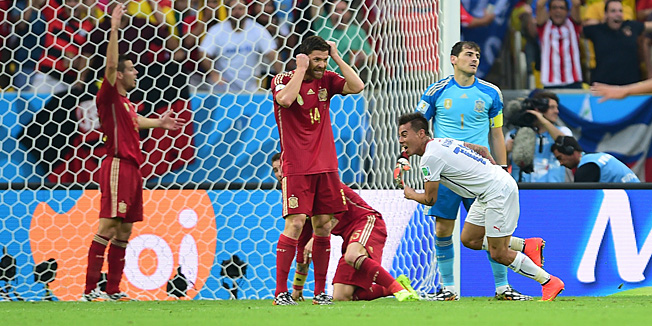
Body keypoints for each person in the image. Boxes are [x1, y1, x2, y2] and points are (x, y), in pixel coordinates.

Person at [405, 41, 541, 301]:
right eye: (469, 55)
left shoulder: (491, 93)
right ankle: (449, 290)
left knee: (494, 231)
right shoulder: (436, 91)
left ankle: (503, 287)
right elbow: (417, 129)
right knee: (443, 229)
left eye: (477, 55)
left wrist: (502, 169)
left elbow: (497, 133)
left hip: (481, 174)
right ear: (453, 59)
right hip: (446, 172)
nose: (475, 59)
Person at [398, 112, 565, 302]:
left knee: (499, 253)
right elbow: (482, 149)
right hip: (488, 190)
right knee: (470, 239)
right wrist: (490, 170)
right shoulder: (442, 142)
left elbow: (430, 199)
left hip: (496, 191)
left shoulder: (429, 158)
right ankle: (526, 245)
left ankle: (549, 281)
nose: (401, 140)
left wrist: (410, 194)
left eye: (404, 135)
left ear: (421, 134)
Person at [80, 3, 185, 302]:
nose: (136, 71)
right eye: (131, 69)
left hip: (133, 170)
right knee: (108, 226)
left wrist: (159, 123)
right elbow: (110, 66)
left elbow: (135, 121)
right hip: (117, 165)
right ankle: (89, 290)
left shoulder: (126, 103)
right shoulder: (110, 95)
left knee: (125, 231)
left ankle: (112, 290)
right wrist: (113, 28)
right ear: (120, 75)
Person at [270, 35, 364, 305]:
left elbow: (357, 86)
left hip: (326, 165)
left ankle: (320, 291)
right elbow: (286, 101)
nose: (321, 65)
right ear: (302, 58)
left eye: (324, 59)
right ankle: (281, 292)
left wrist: (336, 56)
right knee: (296, 223)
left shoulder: (328, 79)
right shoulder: (283, 79)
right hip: (297, 165)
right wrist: (300, 70)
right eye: (317, 60)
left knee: (323, 226)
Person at [271, 154, 419, 303]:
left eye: (282, 168)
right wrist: (297, 289)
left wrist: (314, 239)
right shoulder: (296, 197)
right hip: (349, 238)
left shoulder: (323, 184)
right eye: (275, 170)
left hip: (367, 222)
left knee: (352, 255)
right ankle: (394, 288)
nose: (279, 174)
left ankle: (397, 289)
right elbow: (303, 248)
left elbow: (333, 219)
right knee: (341, 296)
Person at [199, 0, 282, 92]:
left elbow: (273, 54)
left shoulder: (257, 30)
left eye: (240, 8)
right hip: (222, 89)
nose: (237, 12)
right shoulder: (217, 30)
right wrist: (213, 73)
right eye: (233, 9)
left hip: (250, 90)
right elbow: (203, 54)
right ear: (227, 11)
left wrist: (282, 80)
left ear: (247, 10)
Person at [506, 91, 573, 182]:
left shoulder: (563, 131)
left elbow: (566, 143)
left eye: (557, 107)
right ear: (538, 109)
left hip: (553, 189)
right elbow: (503, 166)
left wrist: (543, 120)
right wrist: (506, 151)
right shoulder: (515, 134)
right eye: (552, 107)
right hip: (523, 188)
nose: (557, 111)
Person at [583, 0, 652, 86]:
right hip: (603, 86)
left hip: (630, 87)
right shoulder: (596, 30)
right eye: (613, 11)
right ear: (605, 14)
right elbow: (580, 30)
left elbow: (649, 26)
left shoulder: (631, 26)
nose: (618, 14)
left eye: (620, 11)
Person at [535, 0, 583, 89]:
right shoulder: (544, 26)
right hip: (550, 83)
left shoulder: (573, 24)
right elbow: (539, 4)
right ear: (549, 12)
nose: (558, 11)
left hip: (573, 81)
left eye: (562, 8)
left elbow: (576, 3)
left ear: (567, 11)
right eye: (554, 8)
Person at [551, 136, 640, 182]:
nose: (561, 163)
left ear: (569, 151)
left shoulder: (586, 168)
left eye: (560, 158)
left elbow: (581, 202)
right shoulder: (596, 158)